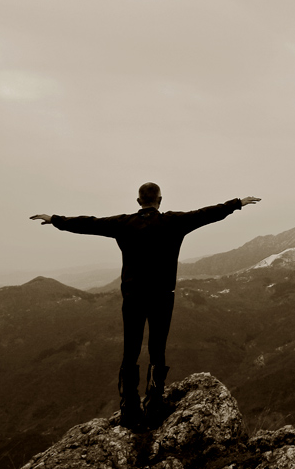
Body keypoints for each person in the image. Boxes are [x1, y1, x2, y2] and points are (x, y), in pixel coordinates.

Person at [31, 183, 260, 428]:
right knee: (157, 349)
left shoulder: (124, 224)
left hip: (133, 297)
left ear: (138, 201)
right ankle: (154, 403)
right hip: (162, 296)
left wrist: (55, 219)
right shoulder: (174, 222)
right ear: (159, 200)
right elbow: (207, 213)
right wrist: (237, 203)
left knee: (130, 350)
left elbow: (89, 223)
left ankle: (129, 407)